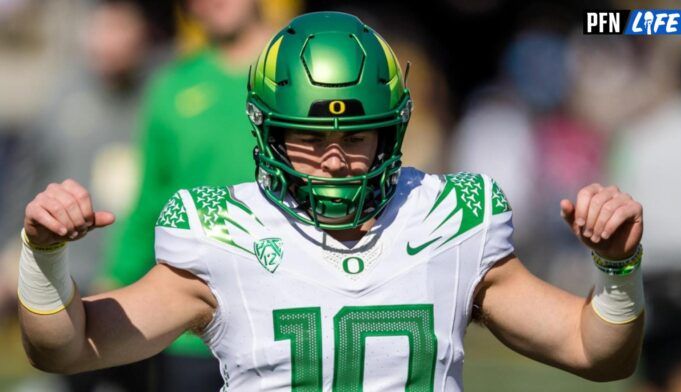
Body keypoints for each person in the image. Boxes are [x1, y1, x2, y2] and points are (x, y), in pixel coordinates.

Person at [18, 12, 644, 391]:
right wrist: (45, 257)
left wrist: (616, 270)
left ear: (392, 131)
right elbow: (66, 346)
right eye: (311, 139)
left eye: (357, 134)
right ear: (268, 134)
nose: (337, 159)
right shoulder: (221, 230)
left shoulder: (449, 218)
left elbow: (595, 352)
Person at [100, 0, 274, 389]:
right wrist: (112, 283)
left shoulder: (302, 72)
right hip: (189, 332)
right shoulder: (172, 87)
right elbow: (149, 201)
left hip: (280, 320)